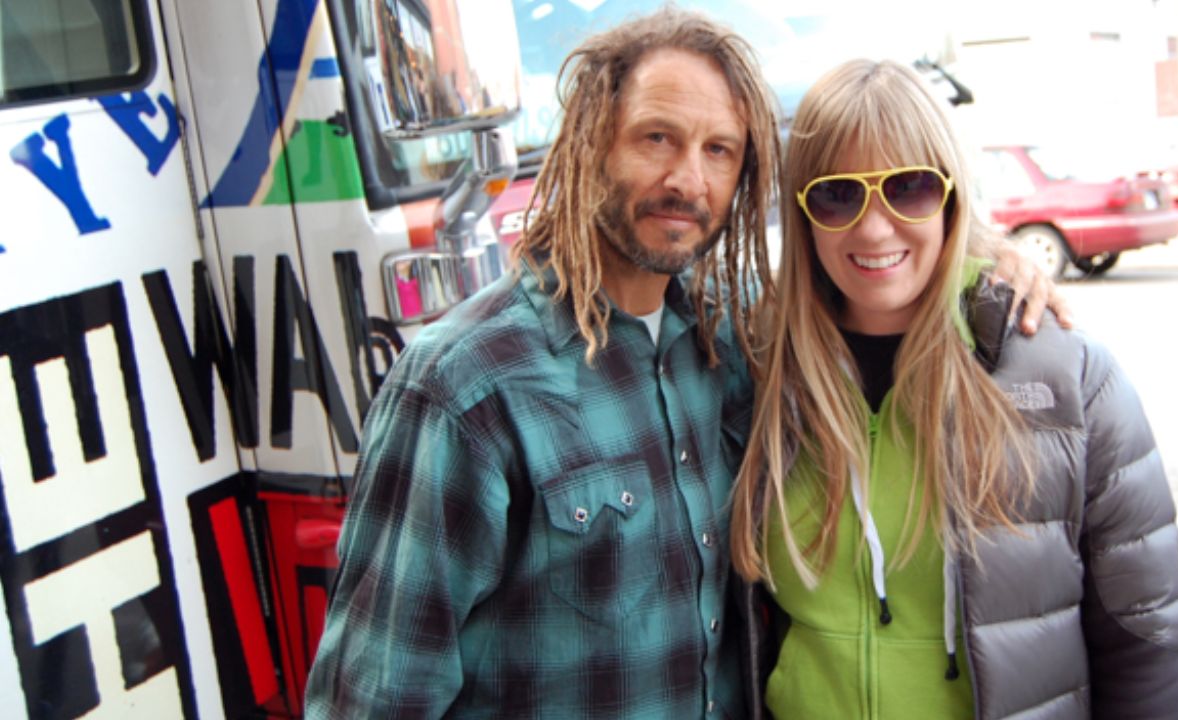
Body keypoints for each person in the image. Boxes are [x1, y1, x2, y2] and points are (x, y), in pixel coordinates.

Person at [304, 9, 1066, 718]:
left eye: (718, 150)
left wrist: (987, 262)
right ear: (592, 144)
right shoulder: (464, 389)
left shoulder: (732, 340)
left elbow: (873, 275)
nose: (687, 181)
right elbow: (373, 697)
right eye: (656, 139)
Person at [729, 58, 1178, 720]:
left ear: (950, 195)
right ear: (803, 212)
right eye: (838, 194)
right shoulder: (759, 369)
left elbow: (1143, 639)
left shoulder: (1066, 377)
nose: (874, 226)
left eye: (908, 187)